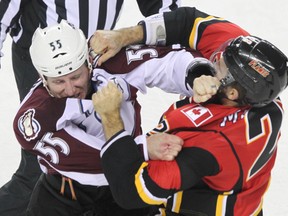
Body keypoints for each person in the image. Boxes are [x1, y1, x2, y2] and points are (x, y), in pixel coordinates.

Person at [12, 20, 220, 215]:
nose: (69, 89)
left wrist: (197, 74)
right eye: (58, 82)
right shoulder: (34, 115)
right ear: (43, 78)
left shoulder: (112, 65)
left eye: (76, 76)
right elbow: (79, 154)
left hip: (127, 186)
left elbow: (168, 61)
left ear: (88, 62)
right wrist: (143, 148)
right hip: (64, 195)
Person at [92, 34, 288, 215]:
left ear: (232, 94)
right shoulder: (268, 101)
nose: (215, 60)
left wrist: (111, 117)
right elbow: (191, 21)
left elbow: (130, 193)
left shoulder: (205, 146)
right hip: (242, 202)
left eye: (221, 65)